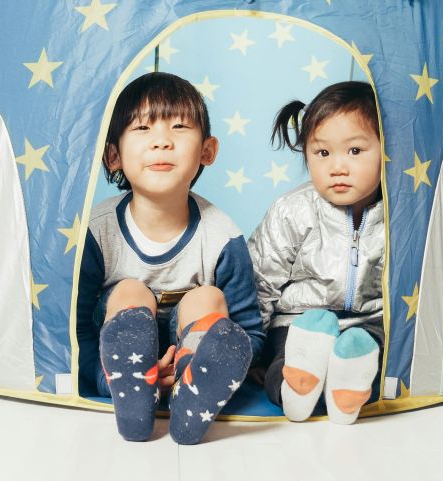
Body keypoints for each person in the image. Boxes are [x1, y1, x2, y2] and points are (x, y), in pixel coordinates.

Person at [77, 72, 264, 444]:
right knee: (130, 291)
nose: (162, 141)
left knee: (207, 298)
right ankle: (131, 392)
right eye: (143, 128)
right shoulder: (98, 231)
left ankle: (192, 394)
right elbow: (76, 327)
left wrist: (190, 368)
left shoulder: (222, 234)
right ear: (113, 155)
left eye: (179, 127)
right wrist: (104, 378)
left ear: (207, 151)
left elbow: (249, 334)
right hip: (120, 348)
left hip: (186, 349)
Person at [249, 81, 384, 425]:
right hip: (296, 325)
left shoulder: (399, 215)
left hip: (367, 326)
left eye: (354, 151)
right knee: (282, 363)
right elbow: (260, 280)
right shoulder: (293, 210)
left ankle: (346, 384)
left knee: (370, 356)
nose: (337, 167)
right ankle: (295, 387)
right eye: (323, 153)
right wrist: (251, 350)